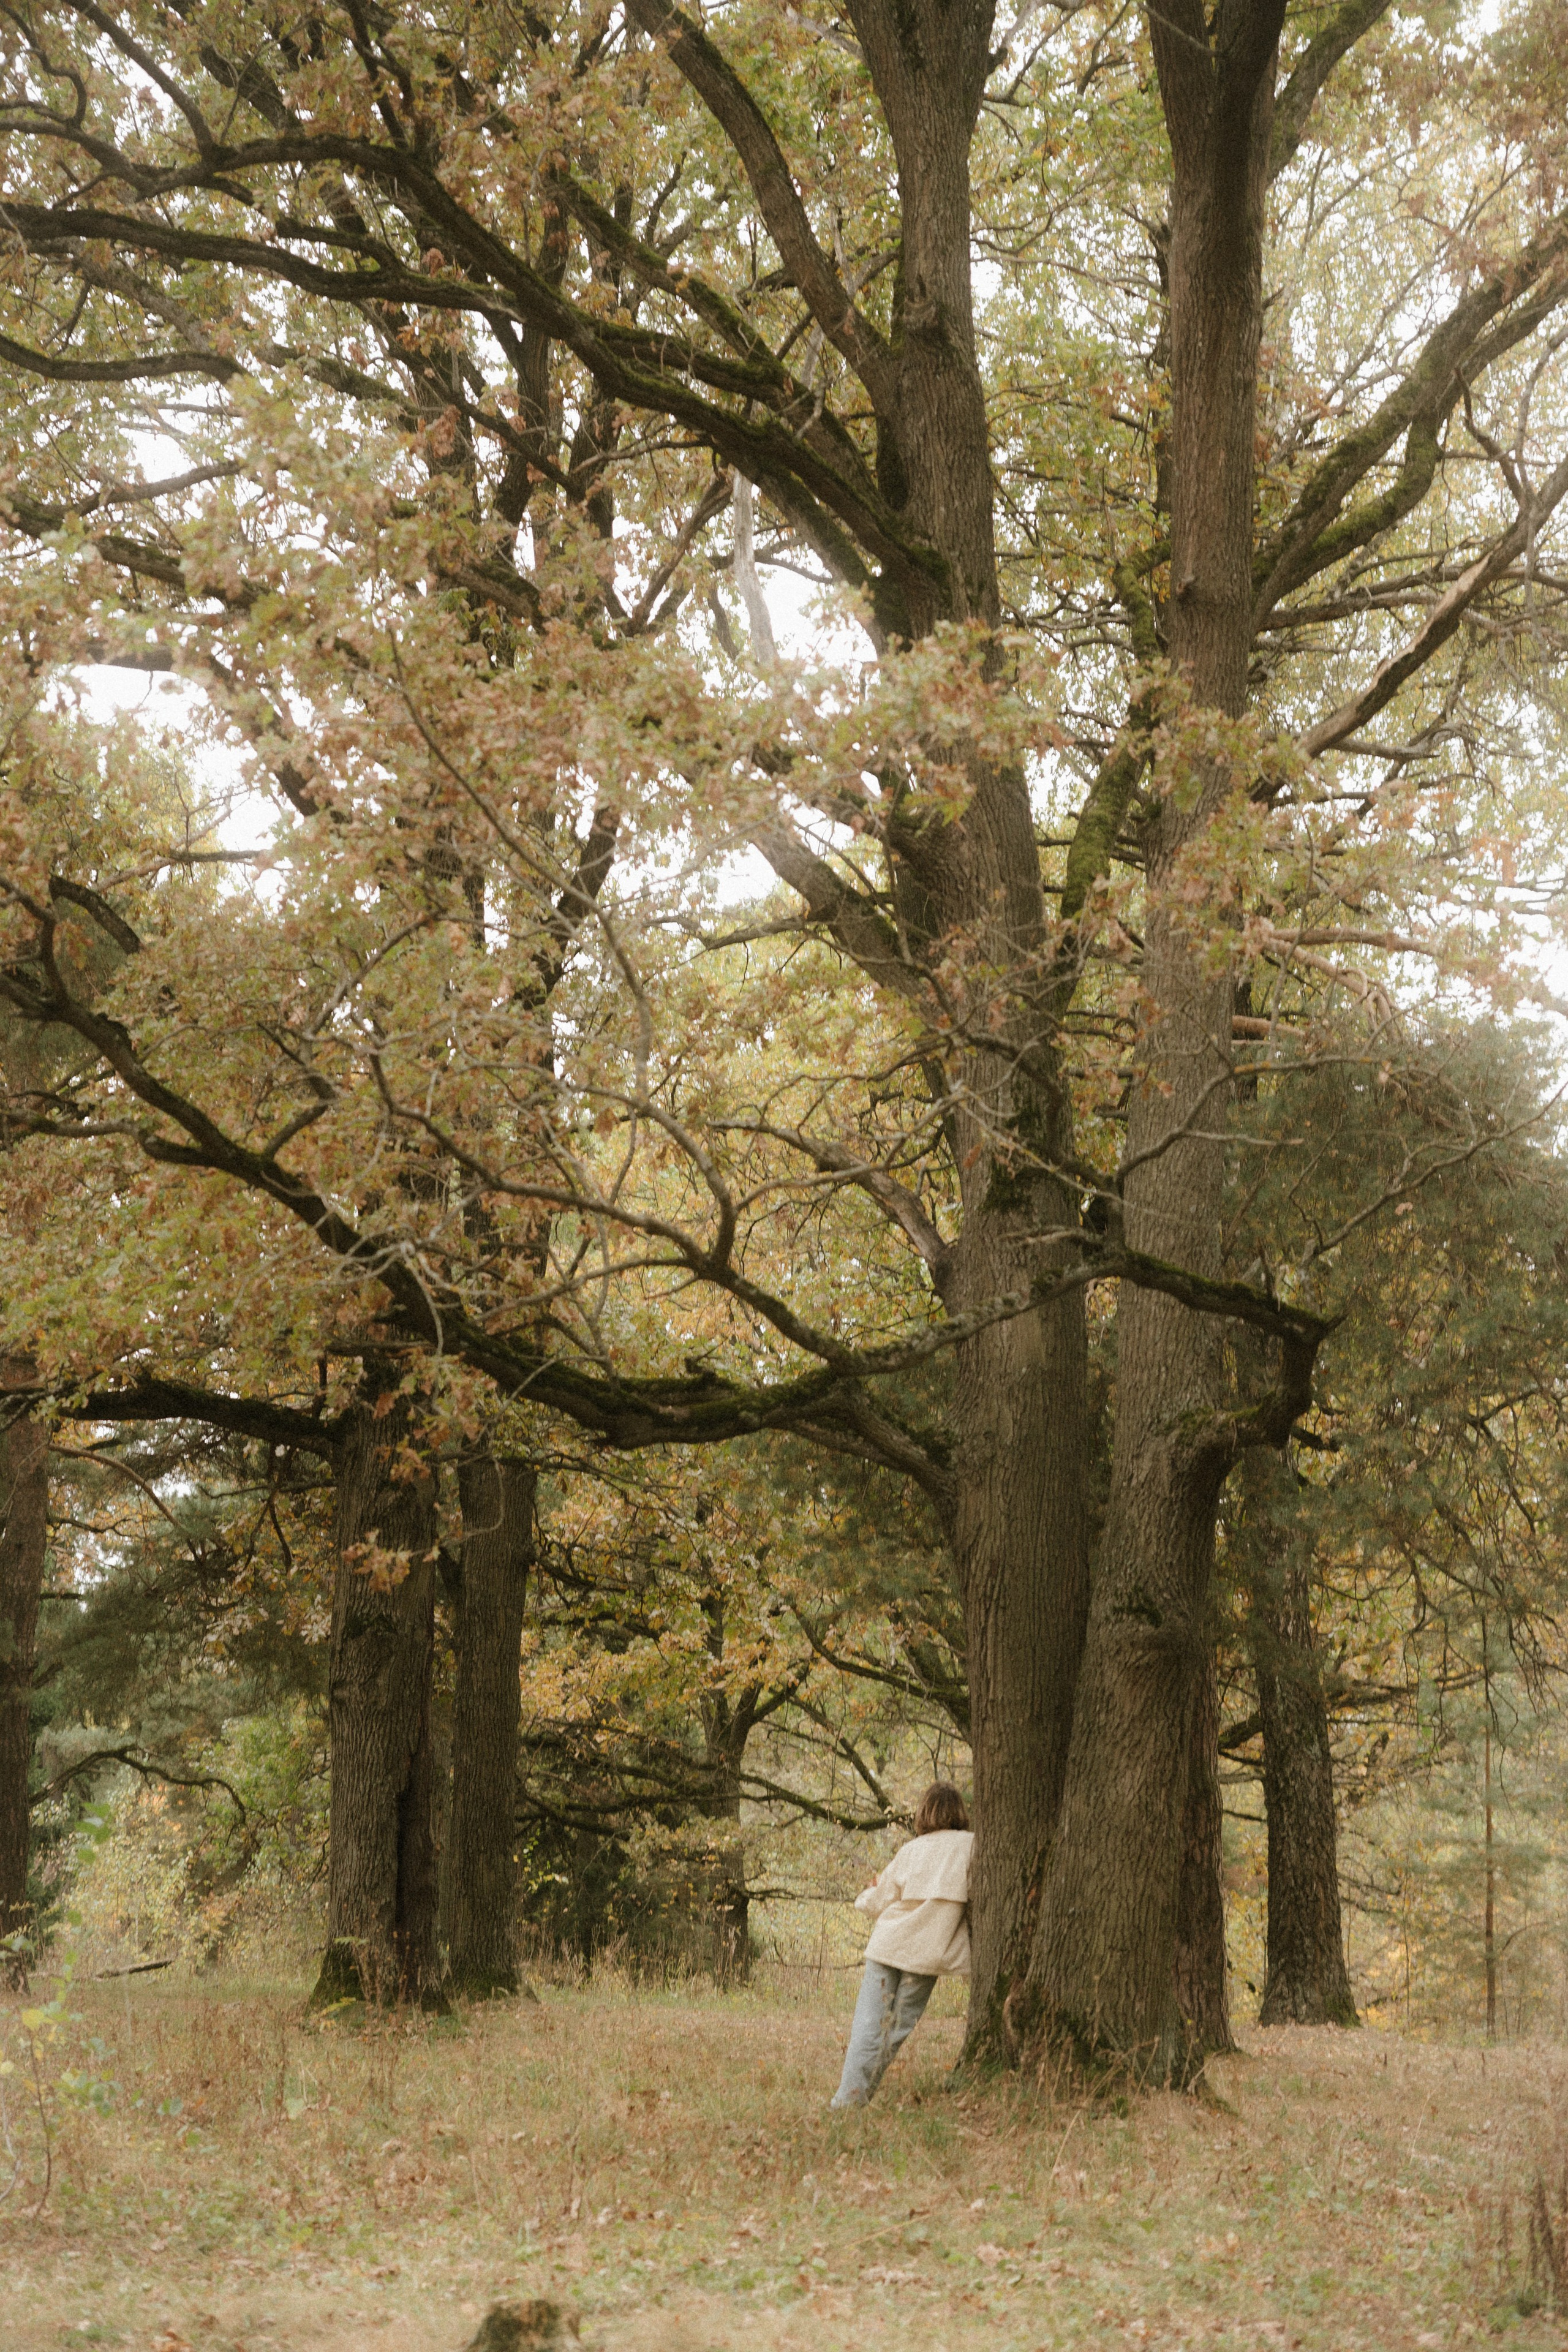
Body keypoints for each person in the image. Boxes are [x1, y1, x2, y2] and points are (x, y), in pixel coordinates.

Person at [829, 1781, 972, 2109]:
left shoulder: (912, 1849)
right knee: (894, 2031)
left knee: (868, 2027)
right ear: (960, 1812)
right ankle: (854, 2100)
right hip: (925, 1953)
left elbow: (879, 1899)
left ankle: (847, 2102)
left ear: (925, 1812)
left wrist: (864, 1896)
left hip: (887, 1945)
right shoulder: (972, 1846)